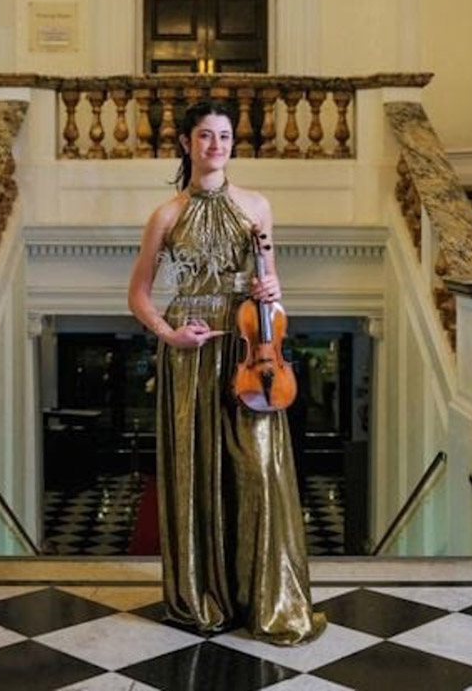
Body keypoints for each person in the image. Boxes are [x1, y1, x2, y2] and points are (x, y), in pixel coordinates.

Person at [127, 100, 326, 646]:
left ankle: (265, 599)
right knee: (198, 469)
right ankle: (204, 597)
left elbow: (271, 275)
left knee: (259, 469)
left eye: (225, 136)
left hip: (250, 343)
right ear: (188, 143)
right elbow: (139, 294)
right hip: (191, 350)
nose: (216, 145)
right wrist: (168, 334)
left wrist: (272, 288)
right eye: (206, 136)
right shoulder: (165, 214)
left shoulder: (257, 206)